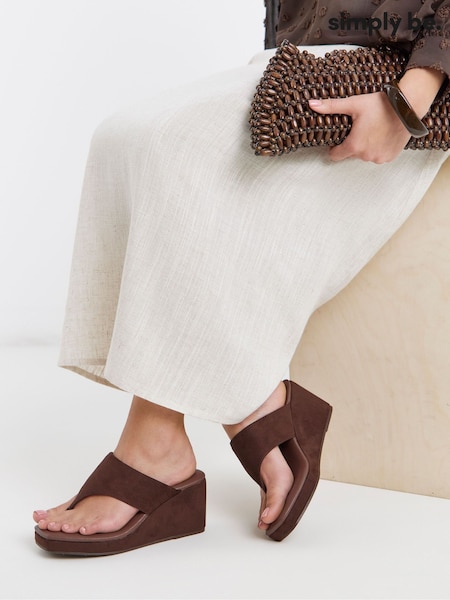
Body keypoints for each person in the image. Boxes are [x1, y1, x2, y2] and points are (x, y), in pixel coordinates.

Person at [33, 0, 449, 555]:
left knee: (174, 147)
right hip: (308, 57)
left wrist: (409, 99)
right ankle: (251, 400)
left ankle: (160, 443)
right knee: (119, 135)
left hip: (405, 79)